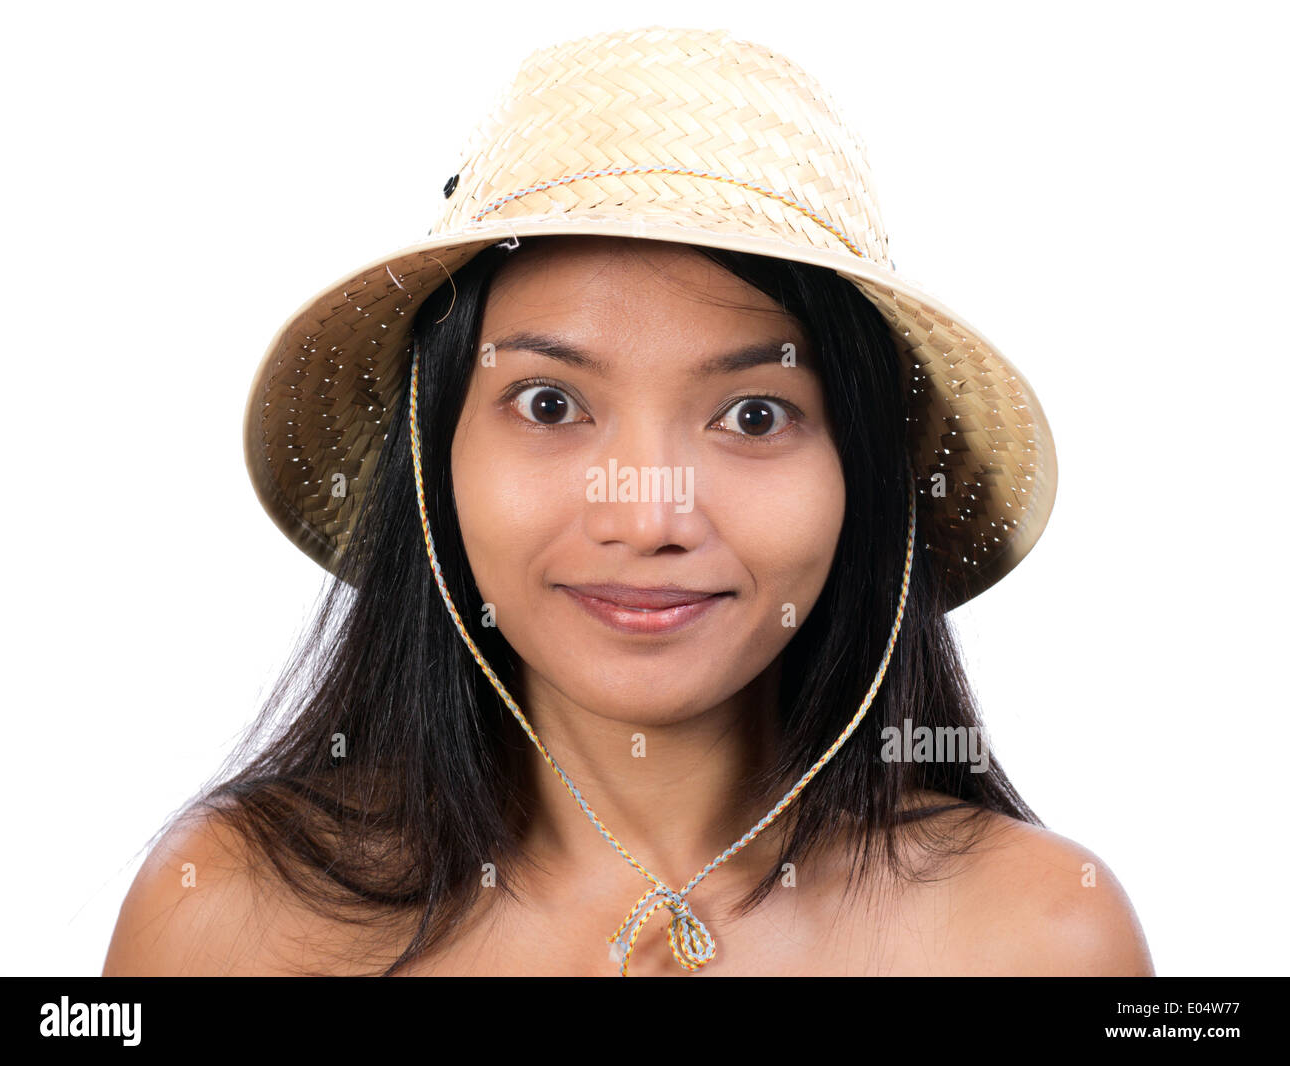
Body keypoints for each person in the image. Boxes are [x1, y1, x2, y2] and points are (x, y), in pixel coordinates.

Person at [103, 27, 1152, 978]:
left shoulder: (1042, 935)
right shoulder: (226, 915)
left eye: (752, 415)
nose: (647, 517)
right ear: (435, 452)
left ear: (862, 475)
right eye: (550, 402)